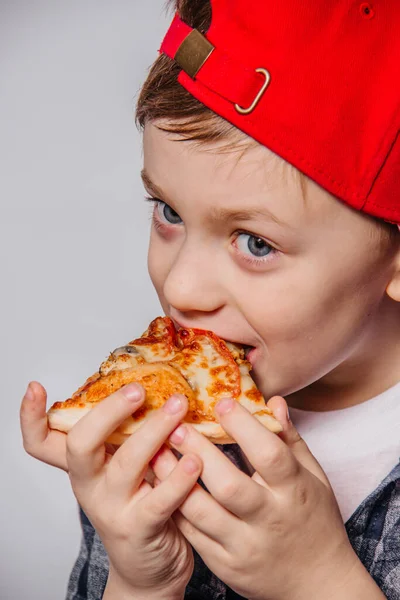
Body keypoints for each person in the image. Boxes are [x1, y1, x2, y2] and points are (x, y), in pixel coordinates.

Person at [20, 1, 400, 599]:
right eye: (168, 212)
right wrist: (140, 583)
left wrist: (319, 581)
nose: (179, 289)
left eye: (256, 242)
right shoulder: (154, 418)